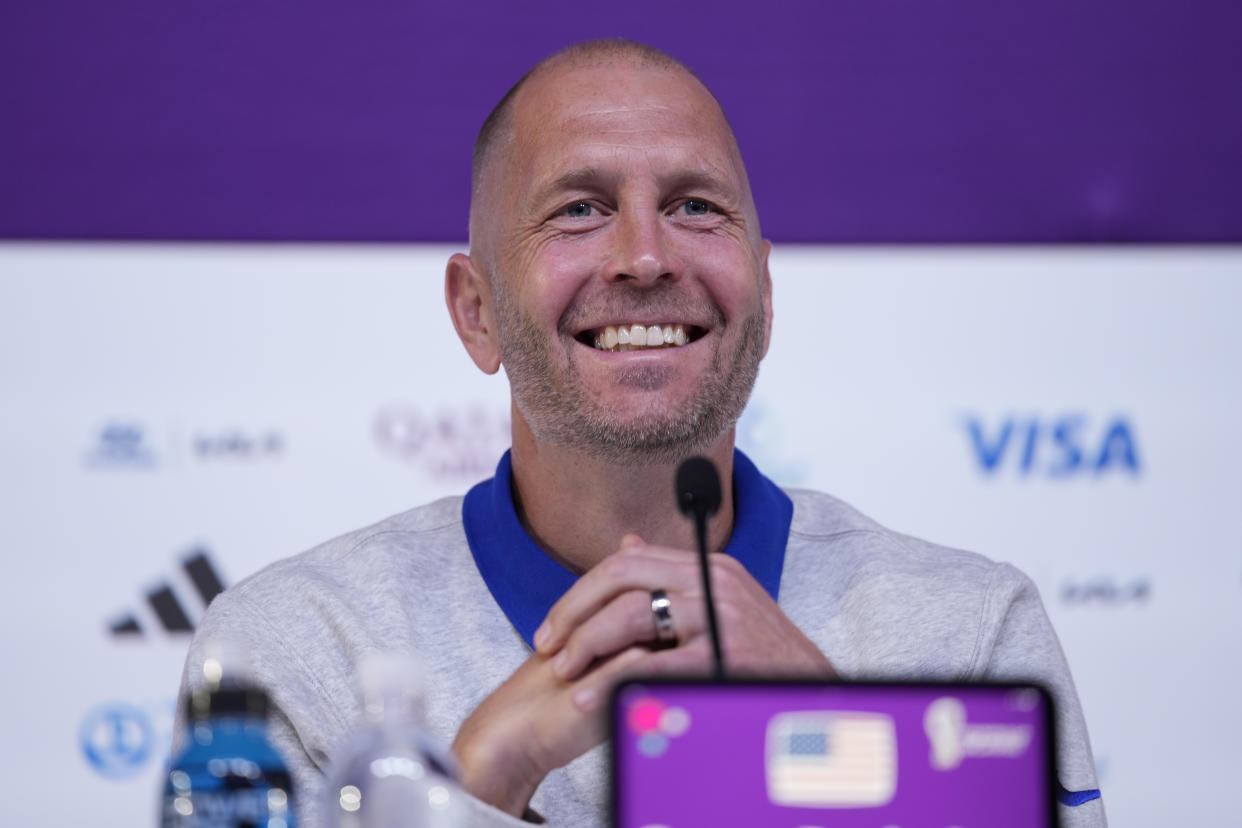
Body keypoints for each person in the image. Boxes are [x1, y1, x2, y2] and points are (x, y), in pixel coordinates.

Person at [176, 39, 1106, 827]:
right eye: (579, 208)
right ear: (476, 313)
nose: (647, 256)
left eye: (696, 206)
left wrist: (849, 737)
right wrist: (474, 787)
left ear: (766, 294)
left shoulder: (969, 635)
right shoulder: (290, 651)